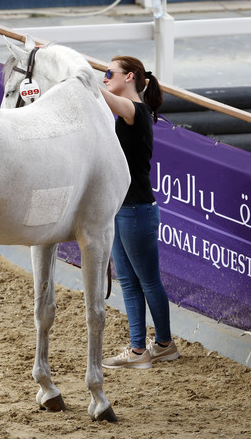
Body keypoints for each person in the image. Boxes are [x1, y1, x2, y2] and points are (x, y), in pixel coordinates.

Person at [99, 56, 179, 370]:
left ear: (129, 77)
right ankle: (140, 348)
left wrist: (79, 74)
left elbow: (101, 95)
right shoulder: (127, 113)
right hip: (123, 208)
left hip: (136, 210)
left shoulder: (137, 111)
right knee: (130, 282)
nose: (105, 78)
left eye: (109, 73)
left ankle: (161, 344)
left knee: (147, 280)